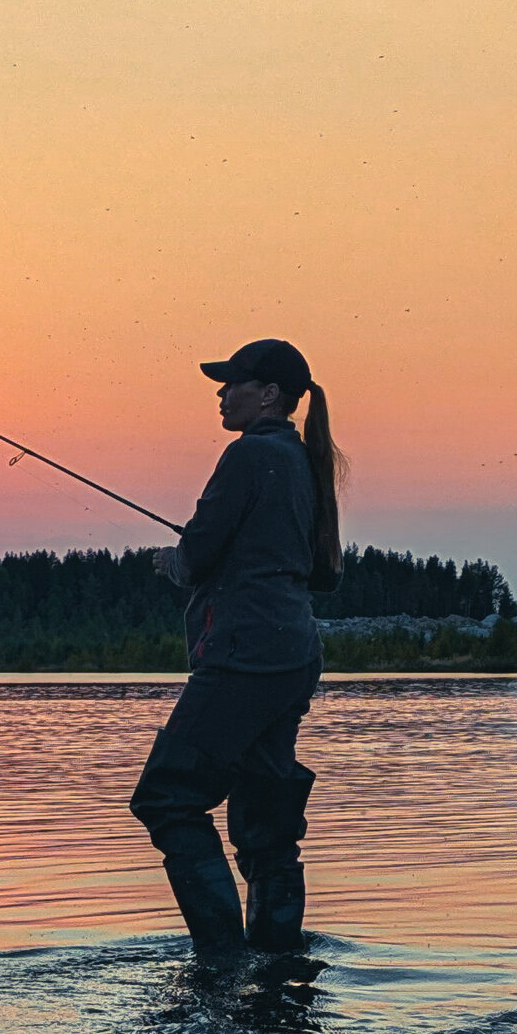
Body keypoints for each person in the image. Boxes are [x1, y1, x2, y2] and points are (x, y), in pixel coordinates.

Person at [130, 338, 343, 959]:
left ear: (269, 394)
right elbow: (324, 572)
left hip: (243, 656)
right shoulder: (306, 460)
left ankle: (222, 961)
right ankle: (277, 962)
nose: (222, 395)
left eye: (232, 384)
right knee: (267, 818)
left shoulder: (249, 454)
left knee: (167, 798)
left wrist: (171, 562)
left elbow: (197, 557)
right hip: (293, 654)